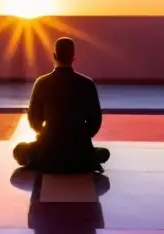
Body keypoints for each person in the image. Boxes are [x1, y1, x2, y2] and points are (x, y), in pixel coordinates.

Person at [12, 37, 110, 173]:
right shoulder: (87, 84)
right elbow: (95, 122)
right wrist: (79, 136)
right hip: (78, 150)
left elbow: (34, 119)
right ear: (74, 58)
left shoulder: (42, 82)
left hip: (48, 151)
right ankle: (87, 156)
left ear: (54, 56)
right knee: (103, 153)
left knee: (20, 150)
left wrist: (47, 134)